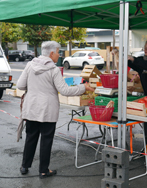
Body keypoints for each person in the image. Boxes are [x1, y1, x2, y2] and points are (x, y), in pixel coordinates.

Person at [17, 41, 95, 179]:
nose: (59, 55)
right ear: (51, 53)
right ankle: (43, 170)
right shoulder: (53, 69)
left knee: (30, 138)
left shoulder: (30, 65)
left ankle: (24, 166)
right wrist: (84, 88)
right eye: (58, 52)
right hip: (47, 110)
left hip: (31, 109)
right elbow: (64, 90)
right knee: (46, 140)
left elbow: (20, 85)